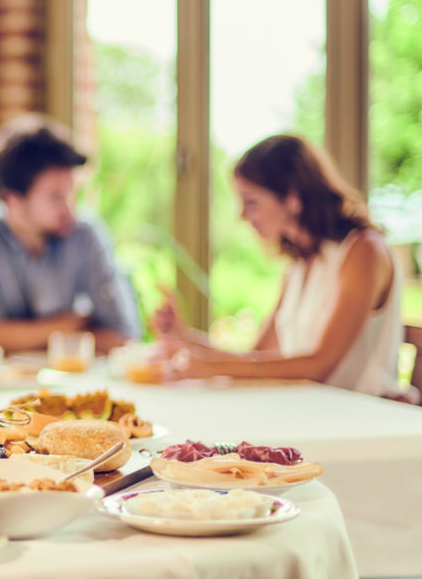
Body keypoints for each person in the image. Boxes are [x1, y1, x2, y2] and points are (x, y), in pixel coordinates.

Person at [151, 134, 403, 397]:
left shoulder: (363, 251)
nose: (241, 215)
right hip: (316, 412)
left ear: (293, 198)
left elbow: (319, 366)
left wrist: (211, 366)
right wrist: (184, 337)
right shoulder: (300, 264)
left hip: (364, 419)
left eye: (251, 202)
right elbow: (258, 356)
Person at [0, 113, 143, 354]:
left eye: (73, 193)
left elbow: (124, 336)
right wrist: (71, 323)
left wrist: (13, 336)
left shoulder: (87, 233)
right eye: (55, 197)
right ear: (12, 199)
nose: (70, 209)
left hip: (74, 385)